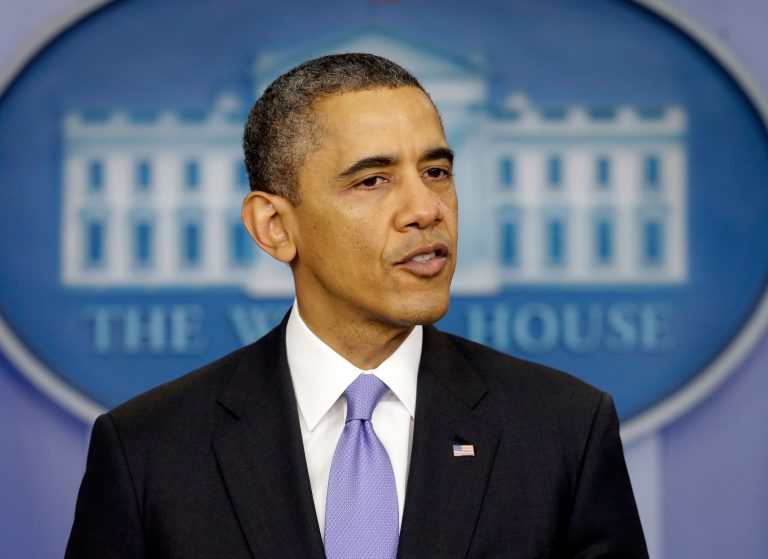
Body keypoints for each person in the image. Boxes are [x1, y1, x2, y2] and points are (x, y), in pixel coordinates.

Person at [65, 53, 648, 558]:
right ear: (274, 227)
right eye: (372, 181)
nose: (426, 208)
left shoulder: (563, 428)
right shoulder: (147, 449)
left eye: (437, 171)